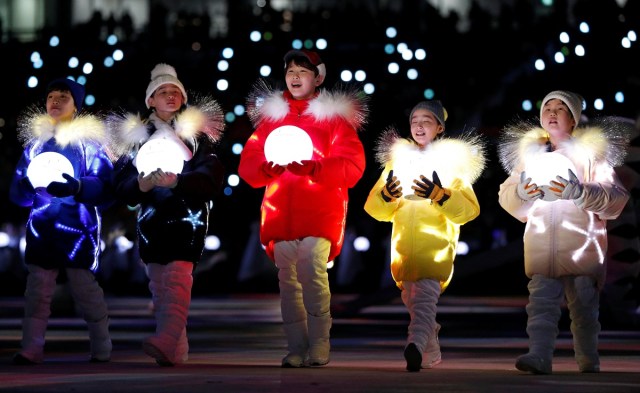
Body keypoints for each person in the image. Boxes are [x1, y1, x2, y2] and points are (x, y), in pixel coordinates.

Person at [238, 49, 367, 368]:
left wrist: (316, 167)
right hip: (281, 212)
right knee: (288, 282)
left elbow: (353, 166)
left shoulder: (333, 119)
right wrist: (267, 169)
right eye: (290, 71)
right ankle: (296, 346)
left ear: (318, 77)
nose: (295, 76)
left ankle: (320, 343)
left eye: (303, 71)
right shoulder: (271, 119)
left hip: (320, 212)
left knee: (312, 270)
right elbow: (248, 164)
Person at [497, 90, 630, 374]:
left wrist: (582, 193)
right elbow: (507, 197)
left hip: (582, 247)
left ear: (574, 119)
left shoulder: (592, 157)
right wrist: (521, 193)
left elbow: (616, 199)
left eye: (561, 108)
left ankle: (588, 358)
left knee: (583, 308)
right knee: (540, 307)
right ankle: (539, 355)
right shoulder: (530, 158)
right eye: (548, 108)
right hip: (541, 247)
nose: (553, 113)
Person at [109, 63, 225, 366]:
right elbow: (119, 182)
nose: (170, 97)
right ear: (150, 100)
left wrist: (180, 181)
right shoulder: (135, 139)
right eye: (163, 92)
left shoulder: (196, 135)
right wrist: (140, 184)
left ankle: (166, 337)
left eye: (175, 92)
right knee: (159, 284)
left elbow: (212, 175)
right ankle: (175, 348)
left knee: (176, 278)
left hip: (187, 217)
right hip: (151, 219)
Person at [364, 100, 486, 372]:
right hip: (403, 250)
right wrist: (387, 195)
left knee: (423, 301)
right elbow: (374, 208)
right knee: (416, 303)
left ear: (439, 127)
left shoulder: (451, 166)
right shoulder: (399, 162)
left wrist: (440, 195)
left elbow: (469, 210)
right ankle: (430, 352)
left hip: (435, 248)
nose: (419, 125)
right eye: (414, 120)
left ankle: (415, 345)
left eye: (426, 120)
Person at [9, 77, 114, 364]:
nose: (55, 101)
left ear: (76, 106)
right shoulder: (34, 146)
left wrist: (78, 187)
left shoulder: (89, 146)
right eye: (51, 96)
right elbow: (17, 188)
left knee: (84, 287)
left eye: (63, 97)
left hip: (78, 228)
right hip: (42, 228)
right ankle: (32, 346)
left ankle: (101, 343)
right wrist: (30, 191)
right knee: (37, 290)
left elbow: (105, 185)